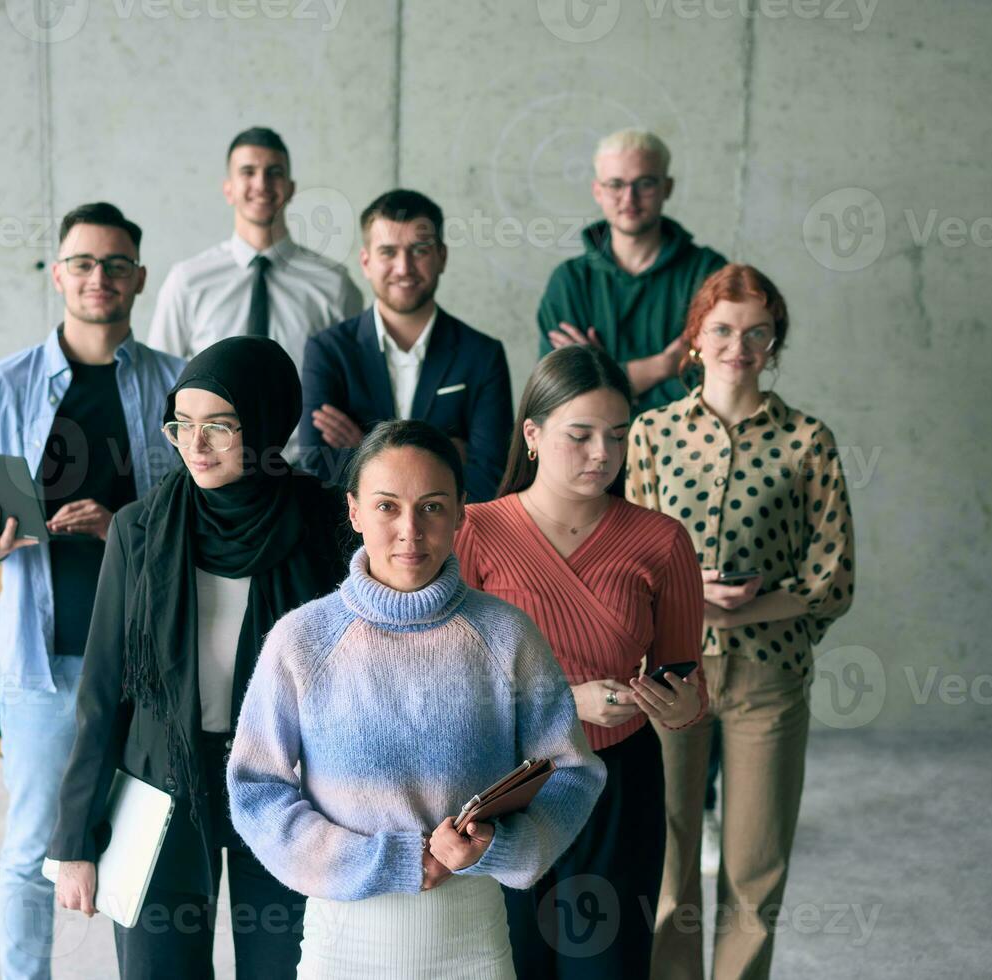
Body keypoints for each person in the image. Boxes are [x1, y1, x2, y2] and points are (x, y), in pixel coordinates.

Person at [227, 420, 607, 979]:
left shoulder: (507, 636)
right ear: (354, 511)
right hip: (341, 942)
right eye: (387, 507)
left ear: (460, 513)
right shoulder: (301, 639)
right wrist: (386, 862)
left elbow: (574, 772)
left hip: (472, 941)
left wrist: (500, 848)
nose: (410, 530)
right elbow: (255, 790)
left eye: (432, 507)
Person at [47, 337, 348, 979]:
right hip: (163, 782)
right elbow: (103, 694)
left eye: (219, 426)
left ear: (264, 424)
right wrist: (73, 841)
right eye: (182, 425)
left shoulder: (323, 525)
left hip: (284, 786)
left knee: (284, 967)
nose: (196, 445)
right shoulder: (140, 529)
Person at [0, 202, 185, 980]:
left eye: (116, 264)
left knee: (147, 838)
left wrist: (120, 523)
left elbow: (194, 521)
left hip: (146, 655)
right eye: (83, 263)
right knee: (32, 847)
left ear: (139, 279)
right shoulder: (2, 386)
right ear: (58, 276)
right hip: (41, 659)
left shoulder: (176, 386)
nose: (99, 277)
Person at [627, 264, 855, 980]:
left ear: (774, 342)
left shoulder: (807, 441)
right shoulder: (652, 433)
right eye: (723, 329)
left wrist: (748, 605)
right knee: (666, 865)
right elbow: (628, 563)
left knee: (755, 868)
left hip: (768, 676)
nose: (739, 345)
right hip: (669, 670)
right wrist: (693, 595)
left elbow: (832, 578)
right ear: (695, 336)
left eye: (757, 332)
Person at [454, 344, 707, 978]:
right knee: (510, 963)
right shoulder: (474, 530)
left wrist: (678, 705)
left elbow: (687, 678)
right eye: (582, 435)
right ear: (532, 434)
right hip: (503, 783)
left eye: (618, 436)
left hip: (618, 784)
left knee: (611, 965)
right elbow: (442, 686)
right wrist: (570, 702)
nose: (603, 453)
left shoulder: (662, 540)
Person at [148, 126, 365, 459]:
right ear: (229, 188)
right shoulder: (188, 281)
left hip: (305, 474)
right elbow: (160, 389)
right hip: (210, 474)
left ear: (290, 188)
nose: (261, 184)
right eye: (248, 172)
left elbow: (356, 388)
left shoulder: (333, 285)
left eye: (273, 173)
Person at [299, 189, 512, 501]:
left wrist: (365, 447)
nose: (404, 267)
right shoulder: (328, 351)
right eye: (388, 252)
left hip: (455, 542)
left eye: (419, 250)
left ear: (442, 256)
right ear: (366, 261)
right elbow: (317, 461)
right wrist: (441, 454)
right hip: (349, 540)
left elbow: (491, 471)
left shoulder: (482, 355)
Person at [537, 128, 726, 414]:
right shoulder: (570, 282)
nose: (629, 198)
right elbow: (561, 393)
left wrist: (600, 372)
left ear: (667, 188)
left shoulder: (708, 273)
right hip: (590, 451)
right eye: (615, 184)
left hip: (687, 446)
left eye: (645, 183)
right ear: (597, 191)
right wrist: (662, 365)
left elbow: (715, 379)